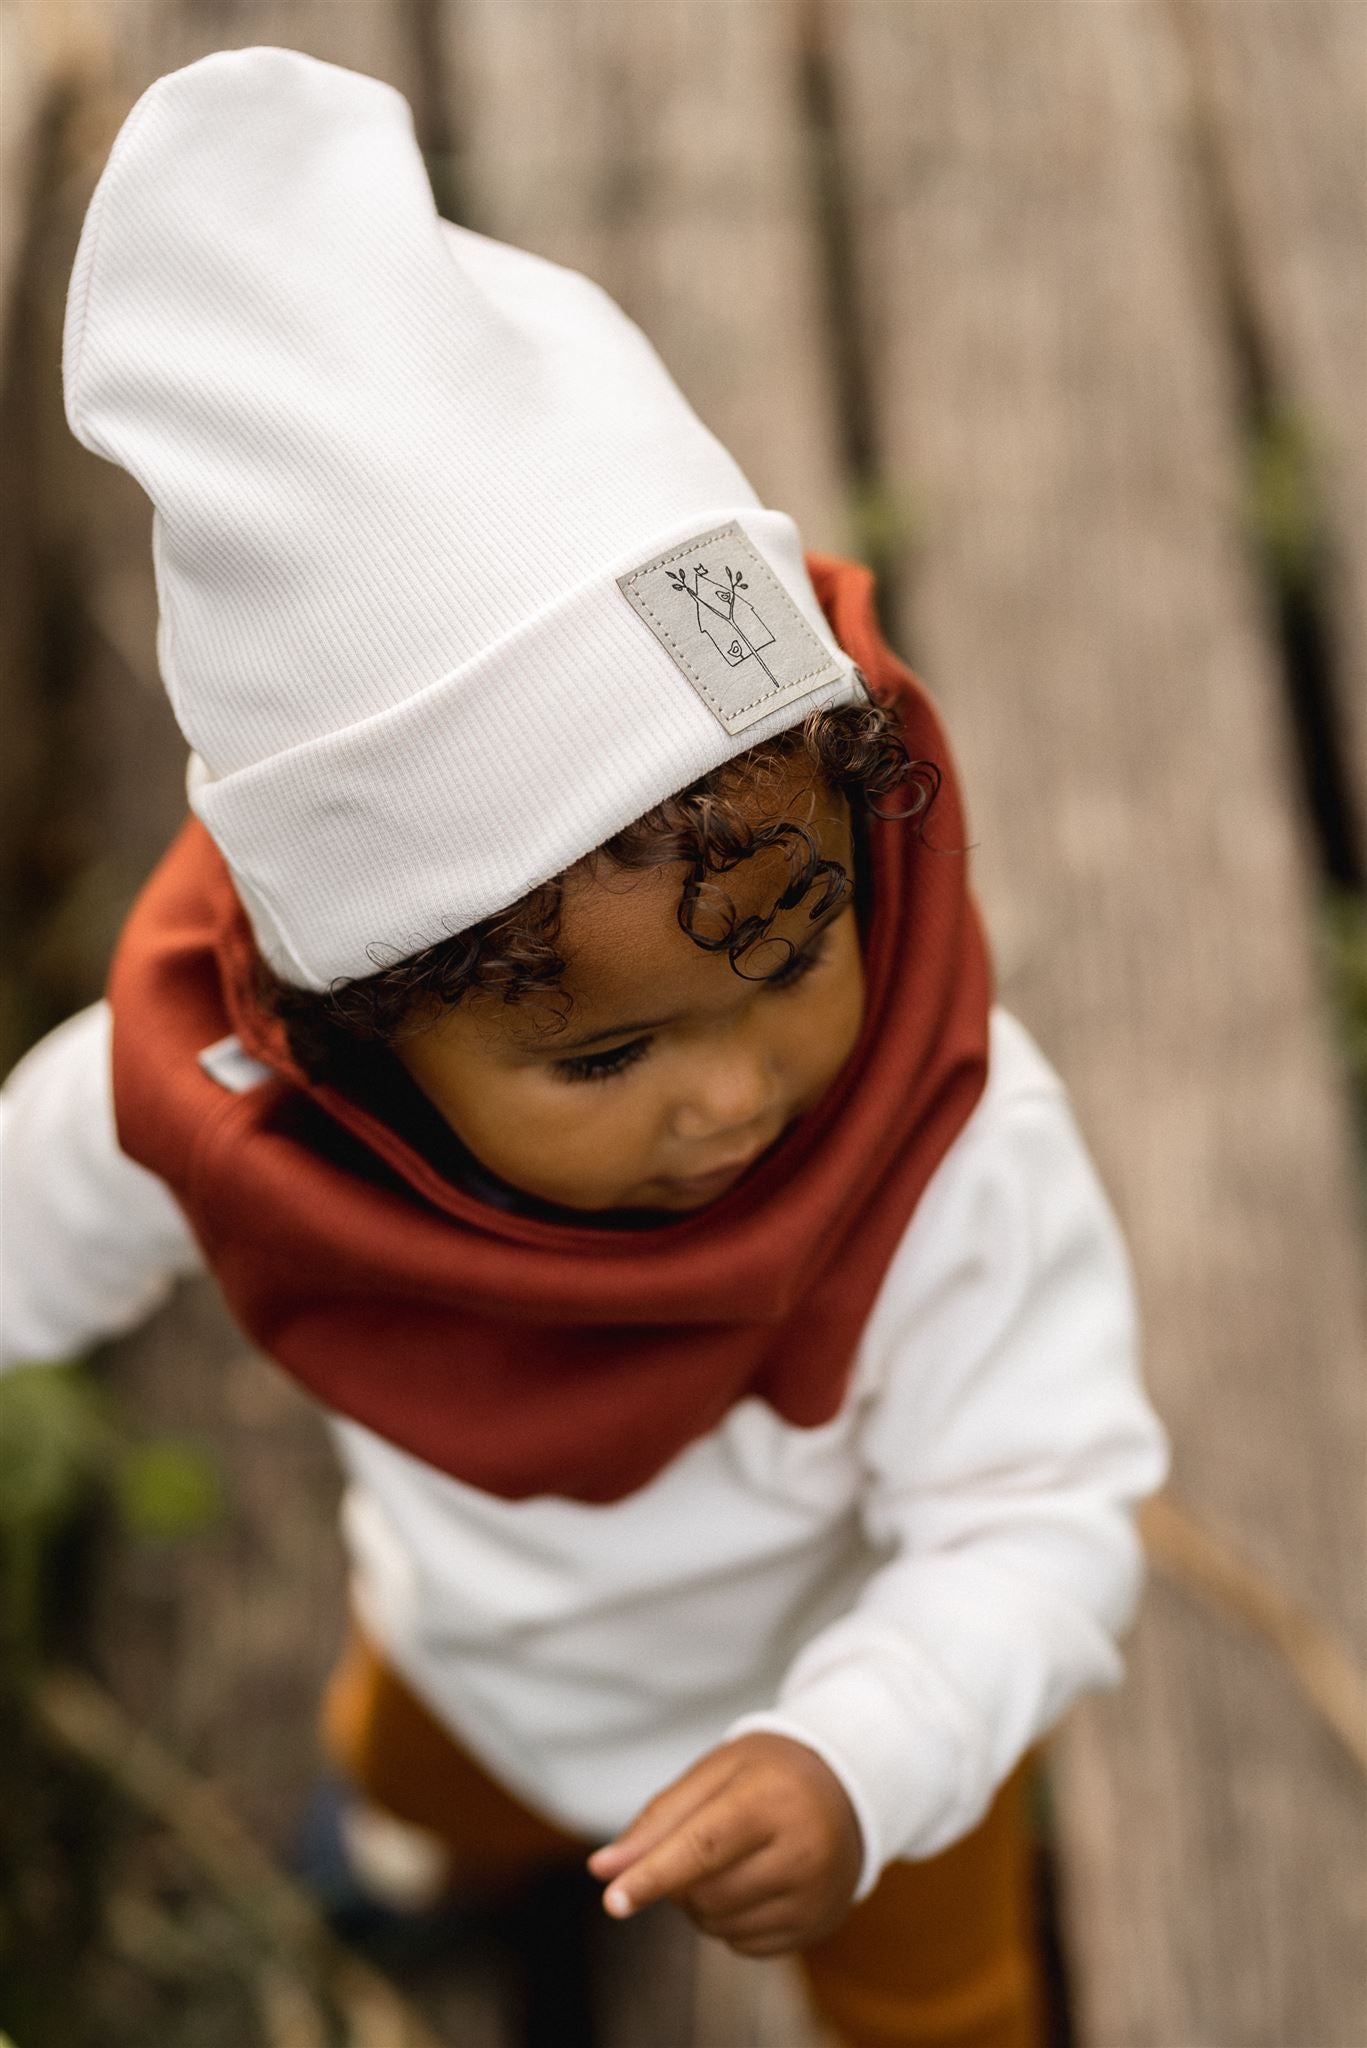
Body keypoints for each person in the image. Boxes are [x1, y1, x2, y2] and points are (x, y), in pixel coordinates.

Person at [0, 46, 1168, 2048]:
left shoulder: (940, 1159)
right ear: (364, 1047)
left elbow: (1039, 1508)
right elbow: (55, 1183)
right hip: (475, 1639)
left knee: (931, 1990)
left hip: (848, 1718)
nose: (736, 1091)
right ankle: (413, 1854)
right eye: (605, 1061)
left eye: (793, 946)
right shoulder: (233, 1108)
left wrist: (855, 1757)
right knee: (421, 1759)